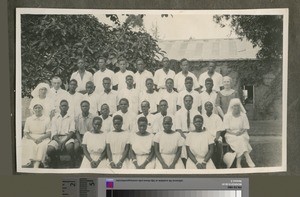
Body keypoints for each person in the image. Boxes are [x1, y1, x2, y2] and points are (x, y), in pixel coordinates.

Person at [223, 98, 255, 168]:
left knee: (241, 139)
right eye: (235, 106)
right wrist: (234, 134)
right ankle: (247, 158)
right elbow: (226, 129)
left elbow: (245, 127)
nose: (236, 107)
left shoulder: (243, 115)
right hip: (230, 135)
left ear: (240, 106)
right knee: (241, 140)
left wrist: (240, 132)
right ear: (232, 107)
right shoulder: (227, 116)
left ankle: (238, 163)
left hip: (242, 133)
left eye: (238, 106)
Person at [46, 100, 75, 168]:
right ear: (59, 107)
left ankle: (72, 161)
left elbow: (72, 131)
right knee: (49, 150)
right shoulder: (55, 118)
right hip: (57, 138)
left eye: (65, 106)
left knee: (70, 147)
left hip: (67, 137)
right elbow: (54, 132)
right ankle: (55, 160)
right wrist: (59, 142)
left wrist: (64, 141)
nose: (64, 107)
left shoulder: (71, 118)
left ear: (68, 107)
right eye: (62, 106)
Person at [22, 103, 51, 168]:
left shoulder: (47, 119)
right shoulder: (29, 119)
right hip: (31, 137)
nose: (37, 109)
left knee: (42, 145)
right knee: (31, 144)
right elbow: (26, 133)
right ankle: (31, 162)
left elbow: (49, 133)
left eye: (39, 108)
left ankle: (37, 164)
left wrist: (41, 138)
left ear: (42, 109)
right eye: (36, 108)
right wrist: (33, 139)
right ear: (33, 110)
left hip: (43, 137)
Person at [202, 101, 224, 168]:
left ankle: (218, 163)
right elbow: (203, 130)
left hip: (216, 137)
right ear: (205, 108)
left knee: (219, 144)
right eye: (207, 106)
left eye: (210, 105)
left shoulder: (216, 117)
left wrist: (215, 139)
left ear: (212, 107)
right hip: (206, 137)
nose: (209, 107)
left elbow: (219, 130)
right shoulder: (202, 117)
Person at [74, 100, 94, 167]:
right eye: (83, 106)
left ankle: (88, 161)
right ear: (81, 107)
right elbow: (76, 132)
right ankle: (78, 160)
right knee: (76, 147)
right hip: (80, 136)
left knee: (90, 147)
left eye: (86, 106)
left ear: (89, 107)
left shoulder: (93, 117)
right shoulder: (77, 117)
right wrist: (80, 141)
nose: (84, 107)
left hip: (89, 137)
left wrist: (85, 141)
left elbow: (92, 132)